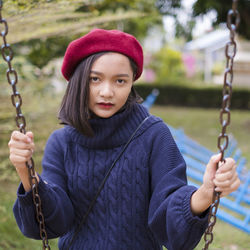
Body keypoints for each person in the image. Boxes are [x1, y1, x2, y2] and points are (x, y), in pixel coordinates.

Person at [8, 29, 240, 250]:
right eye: (95, 79)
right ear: (78, 81)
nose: (107, 92)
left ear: (131, 83)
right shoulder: (62, 143)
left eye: (120, 81)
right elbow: (53, 222)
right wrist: (25, 172)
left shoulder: (153, 135)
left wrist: (205, 193)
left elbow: (167, 215)